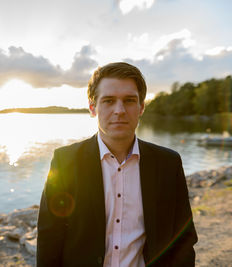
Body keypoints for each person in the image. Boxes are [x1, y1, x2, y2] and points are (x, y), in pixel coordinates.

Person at [37, 62, 197, 267]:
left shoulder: (168, 163)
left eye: (129, 100)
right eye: (109, 101)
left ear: (141, 107)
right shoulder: (65, 161)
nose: (119, 110)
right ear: (93, 107)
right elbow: (49, 237)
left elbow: (184, 237)